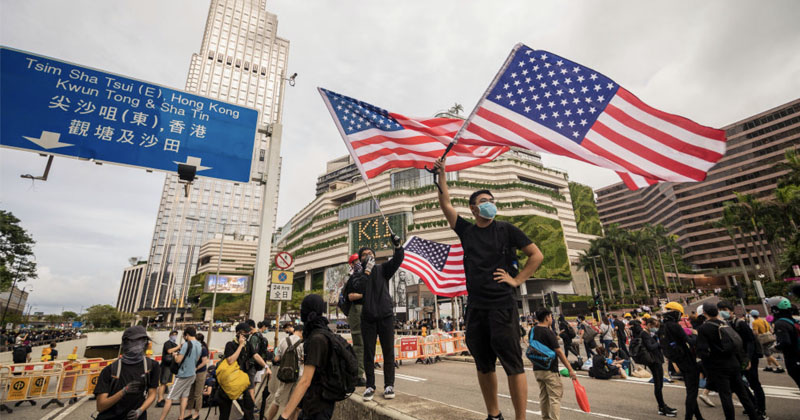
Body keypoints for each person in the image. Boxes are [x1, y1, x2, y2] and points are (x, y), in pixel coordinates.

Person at [435, 156, 544, 420]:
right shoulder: (467, 231)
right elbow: (445, 204)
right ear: (473, 209)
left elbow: (536, 255)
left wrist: (517, 281)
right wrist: (442, 174)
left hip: (502, 306)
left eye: (491, 201)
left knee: (513, 365)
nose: (489, 205)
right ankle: (494, 414)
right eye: (484, 202)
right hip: (476, 308)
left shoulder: (506, 230)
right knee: (484, 365)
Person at [696, 302, 762, 420]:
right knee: (743, 395)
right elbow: (738, 343)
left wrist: (707, 367)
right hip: (734, 363)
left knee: (725, 396)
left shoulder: (704, 328)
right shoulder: (725, 324)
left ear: (704, 313)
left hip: (719, 366)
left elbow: (702, 351)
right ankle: (755, 417)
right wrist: (744, 360)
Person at [358, 236, 404, 402]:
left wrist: (397, 246)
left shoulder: (383, 269)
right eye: (364, 254)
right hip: (367, 318)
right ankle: (370, 386)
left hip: (385, 316)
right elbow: (353, 291)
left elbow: (398, 260)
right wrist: (364, 272)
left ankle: (389, 385)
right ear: (360, 258)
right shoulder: (357, 274)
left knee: (388, 353)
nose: (368, 255)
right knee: (368, 354)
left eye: (371, 253)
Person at [278, 294, 336, 420]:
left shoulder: (317, 339)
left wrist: (284, 415)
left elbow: (305, 381)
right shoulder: (324, 334)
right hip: (316, 402)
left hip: (318, 407)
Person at [94, 326, 160, 420]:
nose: (139, 344)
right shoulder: (110, 370)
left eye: (143, 340)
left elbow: (152, 393)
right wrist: (123, 392)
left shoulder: (151, 366)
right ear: (125, 342)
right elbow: (100, 406)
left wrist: (140, 410)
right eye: (135, 340)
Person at [718, 301, 767, 417]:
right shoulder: (726, 324)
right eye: (720, 310)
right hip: (737, 358)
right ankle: (752, 404)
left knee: (754, 383)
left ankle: (761, 409)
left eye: (724, 309)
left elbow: (750, 342)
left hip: (748, 358)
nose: (722, 312)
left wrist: (748, 359)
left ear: (731, 310)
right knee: (740, 383)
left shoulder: (741, 323)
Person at [659, 301, 704, 420]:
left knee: (690, 390)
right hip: (687, 360)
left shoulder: (663, 326)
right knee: (692, 392)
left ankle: (699, 417)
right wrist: (695, 335)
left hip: (678, 360)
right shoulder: (674, 326)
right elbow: (689, 341)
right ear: (675, 313)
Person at [531, 309, 577, 420]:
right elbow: (559, 352)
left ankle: (545, 418)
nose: (552, 318)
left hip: (537, 368)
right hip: (550, 369)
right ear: (547, 317)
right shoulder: (548, 332)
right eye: (551, 316)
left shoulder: (533, 330)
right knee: (555, 397)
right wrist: (570, 369)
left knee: (544, 396)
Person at [158, 326, 201, 420]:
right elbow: (197, 359)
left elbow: (178, 360)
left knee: (169, 398)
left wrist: (175, 355)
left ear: (187, 335)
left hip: (183, 374)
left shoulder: (186, 344)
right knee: (184, 396)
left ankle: (161, 419)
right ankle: (181, 417)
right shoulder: (199, 344)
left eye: (184, 335)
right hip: (192, 373)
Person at [218, 323, 258, 420]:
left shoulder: (247, 345)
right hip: (229, 381)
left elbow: (255, 355)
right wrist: (240, 345)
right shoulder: (230, 345)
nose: (247, 334)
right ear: (238, 333)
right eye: (245, 332)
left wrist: (266, 366)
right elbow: (230, 360)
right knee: (225, 412)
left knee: (249, 407)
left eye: (248, 332)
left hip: (240, 382)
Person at [267, 324, 304, 420]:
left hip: (286, 374)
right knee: (295, 404)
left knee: (277, 401)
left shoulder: (284, 340)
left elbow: (277, 358)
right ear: (301, 331)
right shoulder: (303, 343)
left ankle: (269, 419)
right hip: (299, 376)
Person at [641, 317, 677, 417]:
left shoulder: (649, 333)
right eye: (654, 326)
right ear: (649, 325)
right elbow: (650, 347)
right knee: (658, 385)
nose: (655, 328)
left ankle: (662, 405)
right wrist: (659, 343)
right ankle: (661, 408)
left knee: (660, 384)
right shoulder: (644, 334)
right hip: (654, 362)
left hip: (657, 360)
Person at [343, 253, 367, 386]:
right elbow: (351, 296)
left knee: (364, 344)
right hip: (357, 310)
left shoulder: (366, 274)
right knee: (359, 343)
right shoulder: (353, 278)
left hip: (366, 309)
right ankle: (357, 374)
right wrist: (366, 295)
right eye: (355, 261)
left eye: (359, 260)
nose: (358, 262)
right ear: (351, 264)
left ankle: (359, 372)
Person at [768, 296, 800, 388]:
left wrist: (775, 348)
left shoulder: (780, 323)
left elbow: (785, 342)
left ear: (775, 309)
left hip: (793, 358)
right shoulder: (793, 320)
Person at [185, 332, 209, 420]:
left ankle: (196, 413)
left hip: (200, 373)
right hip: (192, 372)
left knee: (197, 394)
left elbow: (204, 362)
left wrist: (196, 368)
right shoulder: (192, 347)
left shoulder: (203, 349)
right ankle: (189, 412)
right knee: (190, 393)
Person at [156, 330, 179, 407]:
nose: (174, 336)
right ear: (169, 335)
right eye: (173, 334)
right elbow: (169, 351)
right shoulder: (167, 343)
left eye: (176, 334)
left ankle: (162, 398)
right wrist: (178, 347)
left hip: (171, 366)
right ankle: (159, 399)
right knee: (163, 382)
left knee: (166, 383)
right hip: (166, 365)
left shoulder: (175, 344)